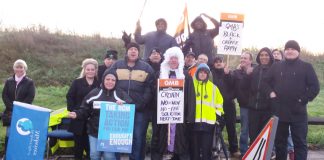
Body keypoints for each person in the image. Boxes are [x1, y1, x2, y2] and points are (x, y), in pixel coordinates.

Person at [264, 40, 320, 160]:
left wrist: (303, 100)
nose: (289, 51)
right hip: (280, 111)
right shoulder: (276, 66)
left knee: (300, 143)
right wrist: (271, 92)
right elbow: (265, 82)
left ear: (298, 52)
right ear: (284, 52)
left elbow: (315, 87)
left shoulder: (306, 67)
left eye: (293, 49)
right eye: (287, 49)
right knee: (280, 143)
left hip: (298, 112)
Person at [68, 70, 133, 160]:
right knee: (94, 155)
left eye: (113, 80)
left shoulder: (120, 94)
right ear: (103, 80)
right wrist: (77, 114)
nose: (110, 82)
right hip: (94, 130)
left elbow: (131, 106)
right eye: (108, 79)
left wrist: (124, 105)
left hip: (110, 133)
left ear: (116, 81)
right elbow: (85, 109)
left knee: (109, 156)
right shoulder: (94, 93)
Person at [108, 42, 154, 160]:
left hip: (139, 110)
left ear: (138, 53)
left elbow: (150, 88)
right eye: (131, 49)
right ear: (127, 51)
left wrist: (141, 103)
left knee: (138, 137)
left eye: (135, 49)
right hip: (120, 108)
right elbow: (107, 82)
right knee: (117, 138)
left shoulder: (146, 67)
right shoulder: (117, 65)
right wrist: (115, 100)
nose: (133, 51)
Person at [151, 46, 195, 160]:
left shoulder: (186, 76)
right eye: (171, 58)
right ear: (167, 60)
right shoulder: (159, 75)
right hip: (163, 114)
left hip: (180, 115)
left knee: (180, 142)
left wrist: (190, 116)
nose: (173, 60)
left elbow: (191, 96)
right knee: (161, 141)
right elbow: (153, 94)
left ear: (179, 60)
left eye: (175, 58)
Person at [66, 58, 100, 159]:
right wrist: (74, 112)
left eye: (92, 69)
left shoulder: (99, 84)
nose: (90, 71)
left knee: (91, 149)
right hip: (78, 120)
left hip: (93, 121)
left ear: (96, 70)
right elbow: (69, 97)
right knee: (78, 148)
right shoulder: (77, 82)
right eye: (88, 69)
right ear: (84, 70)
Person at [2, 59, 36, 158]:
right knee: (9, 135)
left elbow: (30, 97)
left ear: (24, 68)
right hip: (10, 112)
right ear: (14, 68)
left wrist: (19, 108)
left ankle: (21, 155)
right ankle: (7, 155)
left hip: (23, 112)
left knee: (21, 135)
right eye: (17, 67)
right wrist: (12, 108)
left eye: (21, 67)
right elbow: (4, 96)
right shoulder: (9, 81)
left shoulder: (29, 82)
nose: (19, 69)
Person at [190, 63, 224, 160]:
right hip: (194, 124)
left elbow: (219, 103)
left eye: (205, 72)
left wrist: (218, 116)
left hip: (208, 125)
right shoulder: (191, 86)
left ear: (208, 75)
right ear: (197, 73)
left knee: (206, 151)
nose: (202, 74)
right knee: (194, 151)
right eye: (200, 72)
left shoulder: (213, 88)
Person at [210, 56, 240, 158]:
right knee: (216, 128)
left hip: (229, 105)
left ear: (223, 63)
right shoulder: (210, 74)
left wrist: (227, 75)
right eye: (216, 62)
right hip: (216, 106)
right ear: (213, 64)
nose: (218, 63)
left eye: (220, 62)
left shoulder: (229, 73)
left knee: (231, 127)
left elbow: (234, 85)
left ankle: (234, 149)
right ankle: (214, 148)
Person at [243, 47, 274, 144]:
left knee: (265, 137)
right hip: (253, 109)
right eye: (261, 55)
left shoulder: (274, 69)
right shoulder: (254, 69)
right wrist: (247, 75)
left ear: (270, 57)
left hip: (267, 109)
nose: (264, 57)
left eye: (266, 55)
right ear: (258, 57)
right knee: (253, 136)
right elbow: (243, 87)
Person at [271, 48, 294, 160]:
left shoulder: (285, 67)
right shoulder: (271, 68)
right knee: (275, 130)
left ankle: (291, 150)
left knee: (287, 131)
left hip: (286, 104)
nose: (275, 55)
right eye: (273, 53)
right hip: (272, 104)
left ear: (282, 55)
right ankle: (275, 151)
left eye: (277, 53)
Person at [232, 52, 254, 156]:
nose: (243, 60)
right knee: (244, 129)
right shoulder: (236, 72)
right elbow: (232, 84)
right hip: (244, 105)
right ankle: (244, 151)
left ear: (250, 61)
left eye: (245, 58)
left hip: (256, 106)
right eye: (241, 58)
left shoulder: (256, 71)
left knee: (256, 129)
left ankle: (255, 149)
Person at [144, 47, 163, 159]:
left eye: (158, 54)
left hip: (159, 106)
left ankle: (155, 157)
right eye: (153, 53)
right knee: (141, 133)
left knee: (157, 134)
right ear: (149, 56)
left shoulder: (165, 67)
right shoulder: (143, 67)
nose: (155, 55)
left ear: (161, 56)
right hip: (145, 105)